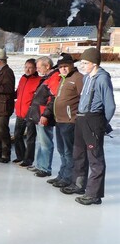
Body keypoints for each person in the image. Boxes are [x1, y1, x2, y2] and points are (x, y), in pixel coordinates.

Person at [60, 48, 115, 205]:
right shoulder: (86, 78)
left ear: (94, 63)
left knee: (95, 158)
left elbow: (110, 105)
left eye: (85, 63)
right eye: (82, 62)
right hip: (81, 119)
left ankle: (94, 194)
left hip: (93, 120)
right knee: (79, 153)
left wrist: (101, 124)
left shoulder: (102, 78)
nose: (82, 66)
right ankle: (78, 184)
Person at [43, 53, 83, 188]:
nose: (63, 69)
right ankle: (62, 174)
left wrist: (77, 116)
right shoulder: (63, 79)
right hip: (59, 120)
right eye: (61, 67)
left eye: (66, 66)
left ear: (72, 65)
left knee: (68, 151)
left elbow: (83, 99)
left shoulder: (78, 78)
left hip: (70, 121)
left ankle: (68, 177)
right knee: (61, 150)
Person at [26, 56, 60, 177]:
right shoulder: (47, 77)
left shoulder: (54, 78)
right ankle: (39, 165)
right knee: (40, 142)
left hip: (44, 115)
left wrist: (46, 114)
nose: (37, 69)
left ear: (47, 66)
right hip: (38, 114)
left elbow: (54, 98)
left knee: (45, 142)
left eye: (39, 67)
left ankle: (45, 168)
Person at [13, 58, 41, 166]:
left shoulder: (38, 80)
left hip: (30, 113)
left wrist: (33, 109)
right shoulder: (23, 78)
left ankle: (28, 159)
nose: (28, 70)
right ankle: (20, 155)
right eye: (26, 67)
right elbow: (18, 92)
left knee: (30, 137)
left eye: (30, 68)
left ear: (35, 69)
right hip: (20, 112)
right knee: (17, 135)